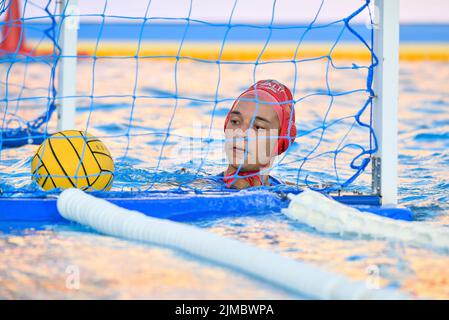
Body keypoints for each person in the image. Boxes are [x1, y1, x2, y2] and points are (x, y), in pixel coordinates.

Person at [222, 79, 296, 189]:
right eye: (235, 121)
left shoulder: (293, 195)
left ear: (280, 142)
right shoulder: (200, 189)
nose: (240, 133)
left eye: (258, 127)